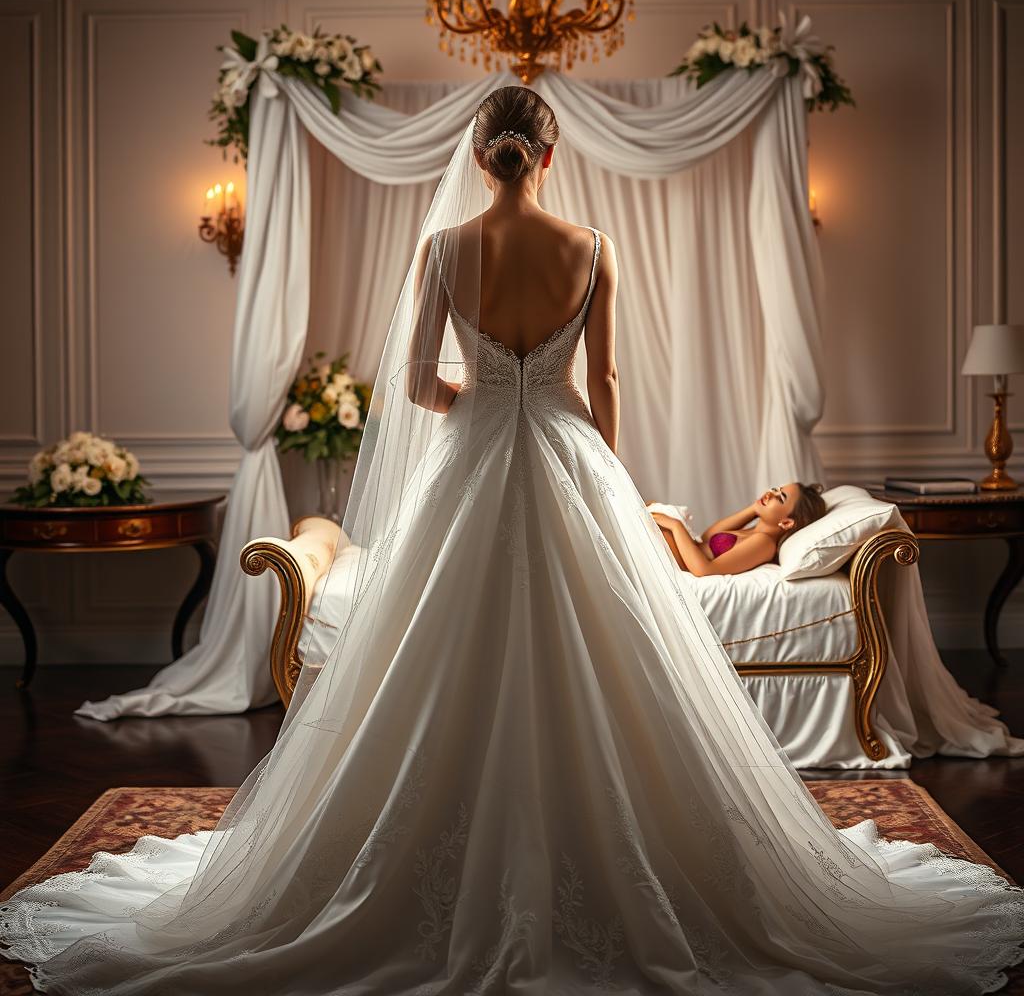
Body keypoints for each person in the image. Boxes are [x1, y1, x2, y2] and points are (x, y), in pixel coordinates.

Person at [2, 84, 1022, 995]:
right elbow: (607, 385)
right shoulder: (590, 248)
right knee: (617, 661)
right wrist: (600, 470)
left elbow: (410, 385)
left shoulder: (440, 250)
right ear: (547, 154)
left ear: (481, 150)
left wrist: (484, 393)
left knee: (440, 652)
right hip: (572, 457)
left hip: (475, 460)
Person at [647, 482, 827, 576]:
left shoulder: (764, 543)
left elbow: (705, 570)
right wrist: (755, 508)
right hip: (664, 545)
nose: (770, 493)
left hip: (665, 553)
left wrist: (675, 525)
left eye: (780, 498)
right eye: (775, 489)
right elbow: (707, 537)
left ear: (787, 523)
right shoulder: (754, 531)